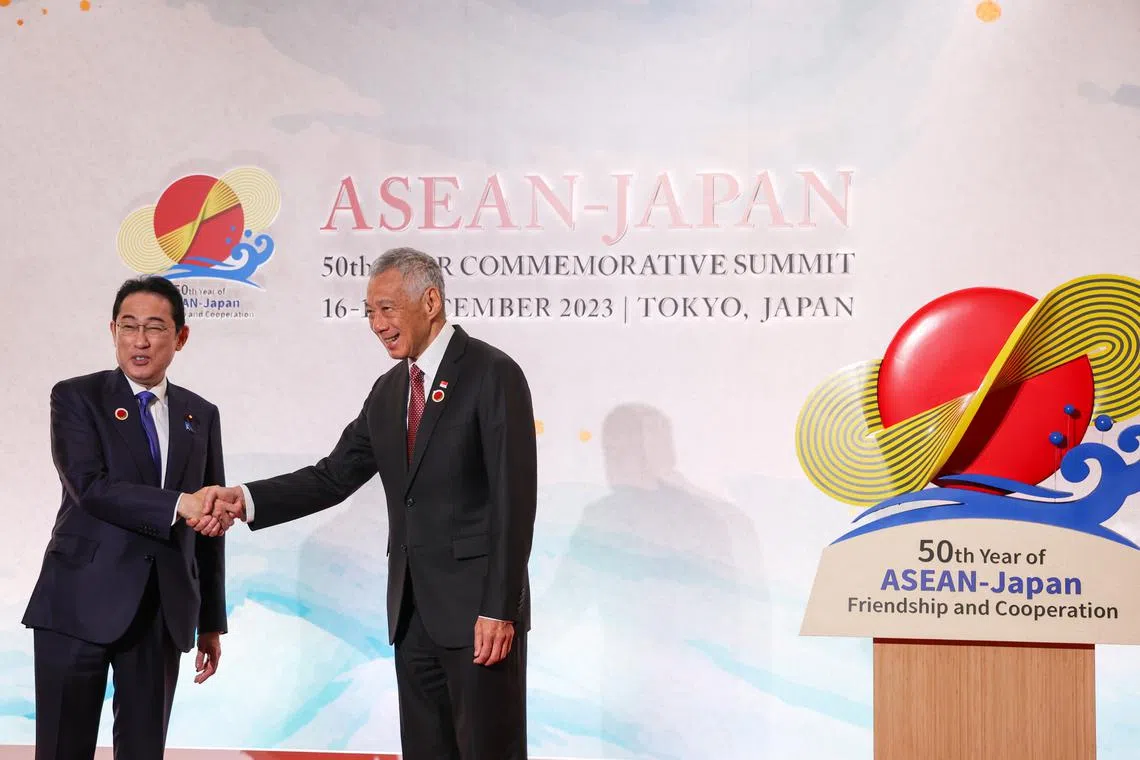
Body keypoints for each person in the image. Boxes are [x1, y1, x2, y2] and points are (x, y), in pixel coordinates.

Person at [202, 246, 537, 760]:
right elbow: (333, 476)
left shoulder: (492, 373)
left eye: (386, 308)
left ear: (430, 301)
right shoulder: (388, 391)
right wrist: (245, 499)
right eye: (369, 313)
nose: (377, 324)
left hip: (479, 618)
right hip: (412, 615)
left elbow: (516, 501)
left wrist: (500, 608)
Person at [22, 275, 233, 759]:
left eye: (155, 328)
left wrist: (210, 621)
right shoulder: (77, 398)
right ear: (112, 330)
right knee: (61, 749)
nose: (140, 340)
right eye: (128, 326)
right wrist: (179, 503)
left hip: (160, 613)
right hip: (76, 604)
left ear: (180, 337)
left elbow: (211, 525)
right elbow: (90, 488)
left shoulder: (200, 415)